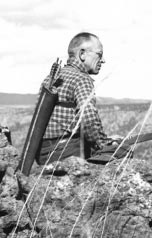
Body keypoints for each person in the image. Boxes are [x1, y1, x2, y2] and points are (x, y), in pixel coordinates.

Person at [36, 32, 119, 165]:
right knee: (122, 152)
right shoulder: (81, 79)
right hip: (67, 152)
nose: (103, 60)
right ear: (82, 54)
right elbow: (88, 119)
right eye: (99, 54)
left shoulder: (50, 78)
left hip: (43, 153)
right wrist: (105, 143)